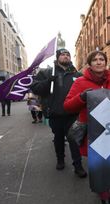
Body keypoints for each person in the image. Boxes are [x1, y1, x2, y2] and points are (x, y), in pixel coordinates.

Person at [64, 50, 110, 204]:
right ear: (90, 64)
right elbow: (67, 106)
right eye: (94, 59)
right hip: (92, 133)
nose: (98, 62)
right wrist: (81, 97)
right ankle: (105, 198)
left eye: (101, 59)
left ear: (105, 62)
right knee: (100, 165)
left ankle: (102, 187)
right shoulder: (80, 82)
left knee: (108, 164)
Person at [30, 49, 86, 178]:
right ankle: (60, 159)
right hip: (55, 113)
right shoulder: (47, 72)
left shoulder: (76, 74)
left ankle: (78, 166)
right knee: (58, 138)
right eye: (62, 54)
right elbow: (35, 88)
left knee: (73, 139)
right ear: (57, 57)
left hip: (73, 114)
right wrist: (48, 81)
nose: (65, 56)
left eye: (67, 55)